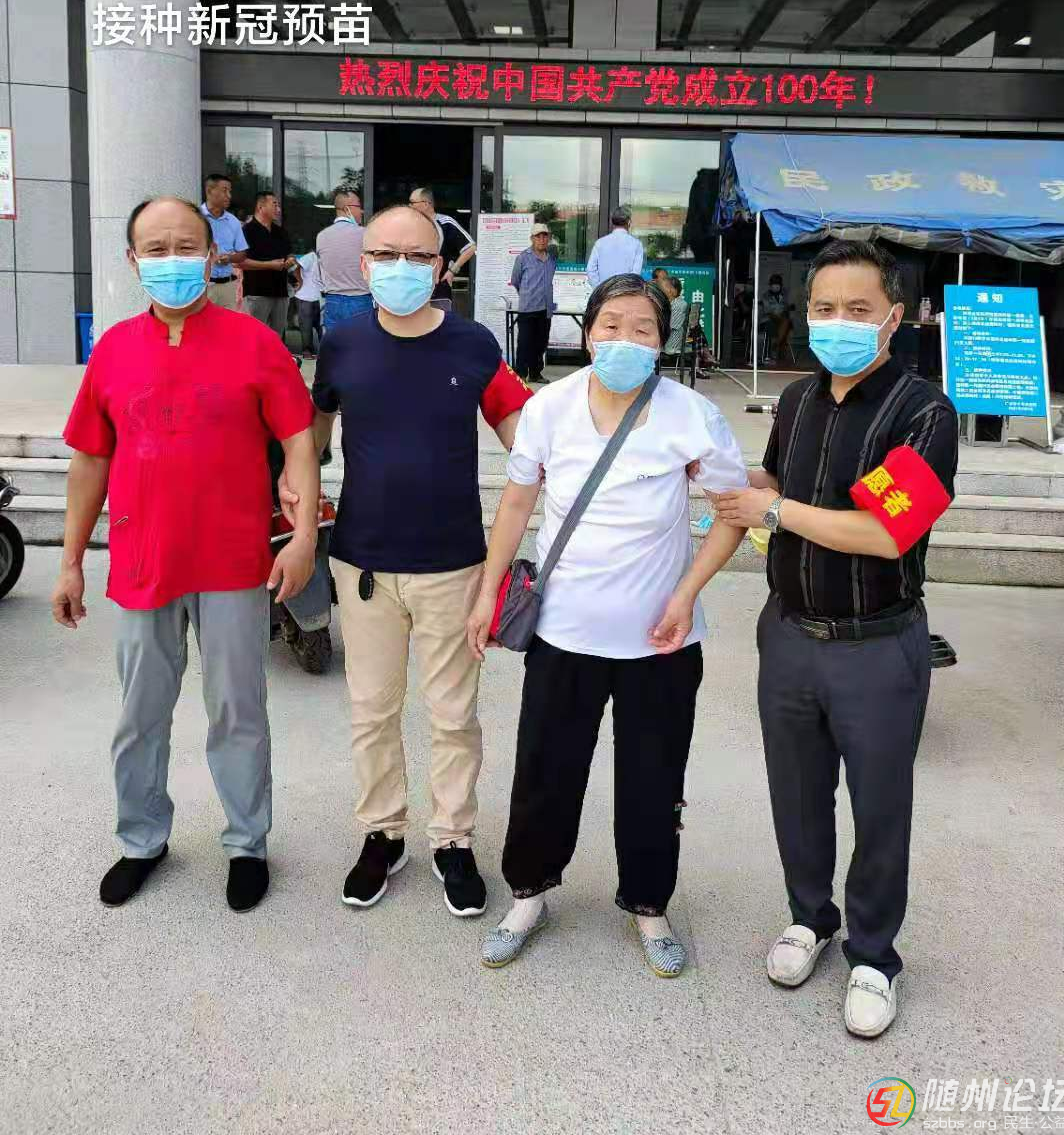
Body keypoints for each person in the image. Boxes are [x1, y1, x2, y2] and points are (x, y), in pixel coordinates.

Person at [466, 274, 750, 978]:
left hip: (661, 641)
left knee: (654, 776)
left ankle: (649, 904)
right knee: (545, 771)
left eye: (643, 328)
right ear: (588, 333)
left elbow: (733, 512)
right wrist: (486, 593)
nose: (625, 339)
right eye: (611, 325)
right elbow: (516, 505)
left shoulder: (691, 415)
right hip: (563, 634)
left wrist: (687, 592)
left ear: (662, 341)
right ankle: (528, 895)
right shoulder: (549, 408)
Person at [709, 239, 958, 1038]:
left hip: (876, 644)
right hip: (788, 634)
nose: (838, 322)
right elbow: (784, 486)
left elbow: (888, 531)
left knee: (880, 804)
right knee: (797, 790)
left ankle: (875, 955)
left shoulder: (922, 412)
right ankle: (809, 917)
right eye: (824, 308)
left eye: (858, 309)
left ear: (893, 317)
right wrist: (726, 477)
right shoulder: (797, 401)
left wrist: (774, 511)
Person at [51, 197, 320, 914]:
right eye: (155, 248)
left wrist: (302, 535)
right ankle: (141, 839)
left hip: (232, 560)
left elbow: (298, 439)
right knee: (140, 712)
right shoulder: (113, 350)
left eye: (185, 246)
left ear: (212, 256)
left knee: (238, 709)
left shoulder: (253, 342)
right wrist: (71, 561)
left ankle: (246, 842)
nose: (171, 260)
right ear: (133, 260)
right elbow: (89, 461)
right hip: (144, 561)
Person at [301, 204, 533, 920]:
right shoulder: (342, 344)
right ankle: (383, 832)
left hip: (453, 564)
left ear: (439, 267)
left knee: (453, 715)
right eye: (385, 255)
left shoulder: (473, 344)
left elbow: (527, 437)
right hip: (364, 564)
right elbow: (311, 436)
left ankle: (453, 839)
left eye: (417, 257)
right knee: (372, 710)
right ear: (363, 263)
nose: (399, 268)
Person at [409, 186, 476, 311]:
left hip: (439, 290)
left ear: (426, 204)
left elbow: (471, 247)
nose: (410, 206)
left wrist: (452, 271)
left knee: (441, 321)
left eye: (412, 202)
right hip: (413, 289)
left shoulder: (446, 222)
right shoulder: (409, 225)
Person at [241, 192, 296, 337]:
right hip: (257, 293)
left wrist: (290, 260)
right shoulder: (247, 231)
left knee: (276, 338)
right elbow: (241, 262)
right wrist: (269, 265)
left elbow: (289, 253)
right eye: (274, 204)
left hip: (281, 292)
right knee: (255, 336)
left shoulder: (280, 231)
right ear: (260, 207)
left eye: (279, 205)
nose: (278, 209)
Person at [509, 223, 557, 385]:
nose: (542, 239)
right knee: (524, 344)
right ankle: (521, 375)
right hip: (528, 309)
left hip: (546, 308)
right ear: (532, 238)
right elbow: (515, 280)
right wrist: (527, 294)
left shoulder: (551, 258)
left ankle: (535, 373)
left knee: (541, 343)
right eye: (538, 236)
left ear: (548, 238)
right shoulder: (523, 258)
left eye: (545, 236)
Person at [317, 188, 370, 331]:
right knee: (361, 343)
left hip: (332, 302)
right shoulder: (365, 234)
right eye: (359, 206)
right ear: (347, 208)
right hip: (360, 300)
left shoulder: (321, 236)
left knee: (335, 343)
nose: (362, 211)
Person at [201, 175, 247, 308]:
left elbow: (243, 254)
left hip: (228, 286)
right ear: (209, 191)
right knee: (202, 321)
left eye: (230, 191)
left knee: (228, 321)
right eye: (224, 190)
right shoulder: (195, 217)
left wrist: (230, 258)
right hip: (202, 285)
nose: (229, 196)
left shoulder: (233, 221)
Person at [586, 206, 644, 287]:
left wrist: (599, 288)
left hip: (605, 291)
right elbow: (635, 274)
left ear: (612, 222)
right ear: (629, 222)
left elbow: (590, 269)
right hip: (625, 291)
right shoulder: (636, 244)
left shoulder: (600, 243)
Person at [293, 248, 323, 357]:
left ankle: (324, 352)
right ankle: (307, 352)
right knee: (306, 327)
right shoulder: (311, 256)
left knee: (321, 326)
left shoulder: (325, 258)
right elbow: (296, 267)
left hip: (319, 297)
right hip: (305, 296)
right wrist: (300, 281)